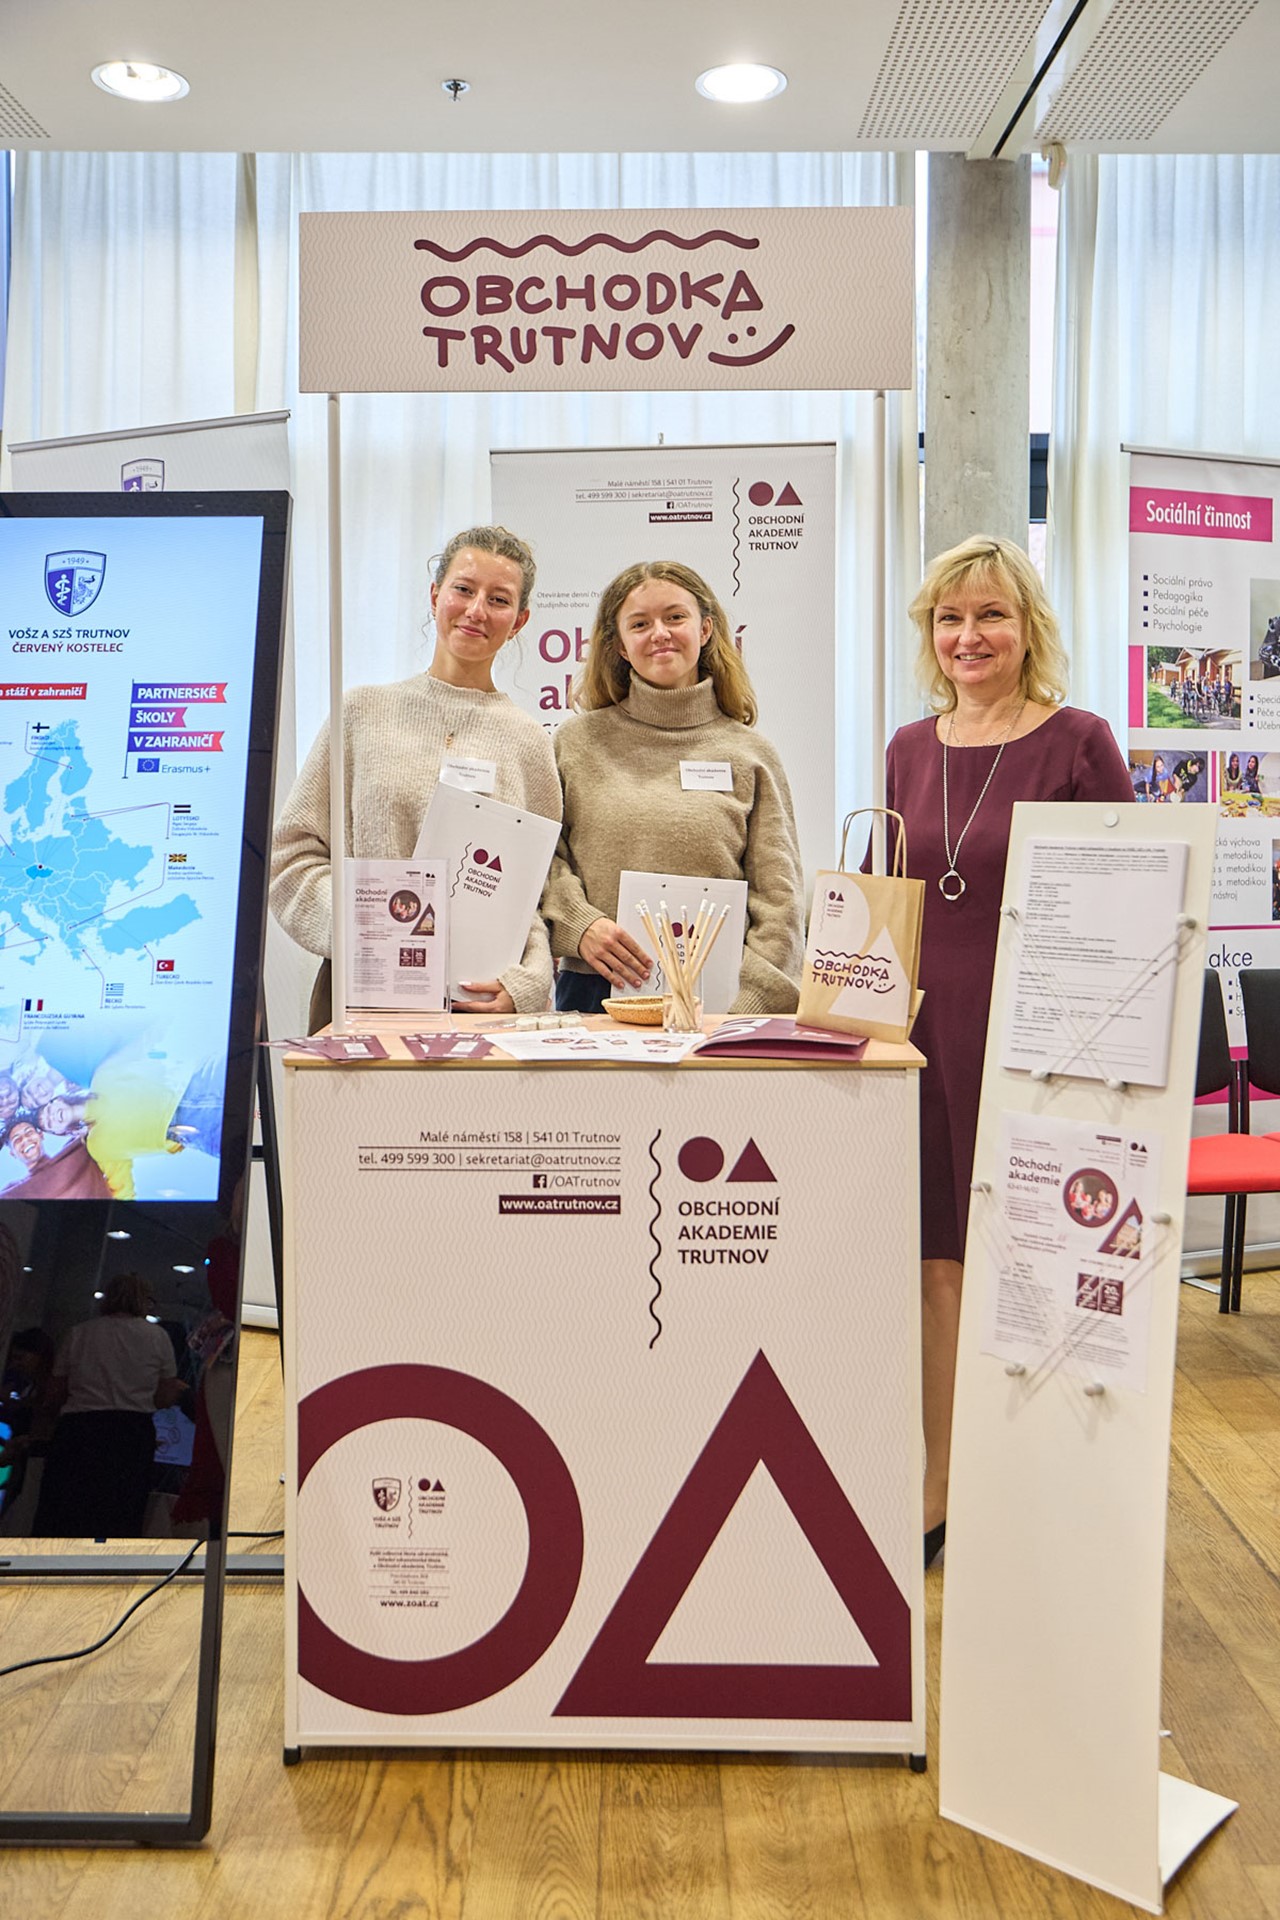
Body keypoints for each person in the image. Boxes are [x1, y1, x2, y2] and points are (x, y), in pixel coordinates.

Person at [883, 535, 1133, 1565]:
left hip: (1040, 1039)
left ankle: (1044, 1482)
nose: (968, 636)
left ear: (1027, 627)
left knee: (1039, 1258)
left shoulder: (1078, 741)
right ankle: (940, 1482)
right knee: (937, 1262)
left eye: (989, 614)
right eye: (949, 618)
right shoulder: (908, 747)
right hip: (924, 1035)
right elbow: (890, 895)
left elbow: (1127, 904)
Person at [271, 526, 562, 1026]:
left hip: (477, 1006)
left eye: (498, 599)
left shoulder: (529, 742)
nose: (476, 610)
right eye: (463, 589)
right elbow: (291, 857)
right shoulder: (361, 713)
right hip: (361, 995)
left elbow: (534, 892)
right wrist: (370, 927)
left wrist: (527, 983)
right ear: (435, 595)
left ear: (519, 621)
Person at [541, 560, 804, 1013]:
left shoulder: (751, 755)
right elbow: (544, 857)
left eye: (675, 617)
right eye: (640, 624)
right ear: (620, 647)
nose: (659, 633)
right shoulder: (575, 743)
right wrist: (578, 925)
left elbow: (780, 899)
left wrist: (751, 1005)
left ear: (705, 629)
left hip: (720, 1001)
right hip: (593, 990)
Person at [32, 1272, 184, 1538]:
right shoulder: (157, 1337)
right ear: (144, 1300)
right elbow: (165, 1396)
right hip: (131, 1434)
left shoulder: (79, 1333)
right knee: (120, 1514)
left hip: (78, 1430)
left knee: (64, 1511)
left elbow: (55, 1392)